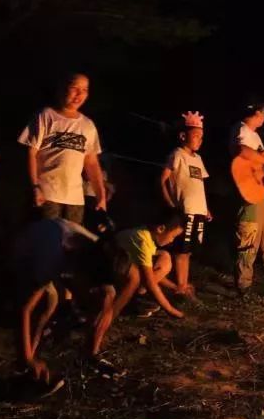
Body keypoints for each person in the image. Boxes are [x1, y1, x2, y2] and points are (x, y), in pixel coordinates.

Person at [17, 210, 185, 385]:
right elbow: (26, 308)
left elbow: (119, 282)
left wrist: (106, 309)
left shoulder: (101, 250)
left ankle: (85, 354)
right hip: (27, 248)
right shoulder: (51, 256)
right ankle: (26, 365)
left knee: (107, 295)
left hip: (66, 247)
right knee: (47, 302)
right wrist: (29, 358)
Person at [18, 72, 106, 224]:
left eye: (85, 90)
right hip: (48, 194)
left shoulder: (88, 125)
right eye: (74, 88)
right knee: (47, 240)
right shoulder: (46, 115)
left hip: (75, 198)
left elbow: (91, 163)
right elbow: (31, 152)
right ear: (62, 89)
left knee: (71, 242)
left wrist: (101, 196)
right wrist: (35, 186)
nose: (79, 94)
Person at [229, 101, 264, 294]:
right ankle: (244, 286)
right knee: (248, 240)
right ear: (259, 114)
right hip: (249, 195)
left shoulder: (256, 136)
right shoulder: (241, 129)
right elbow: (242, 151)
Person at [159, 111, 211, 296]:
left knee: (188, 250)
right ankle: (179, 286)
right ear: (183, 136)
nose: (199, 140)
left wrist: (206, 209)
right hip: (184, 210)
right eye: (196, 136)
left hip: (198, 210)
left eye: (201, 137)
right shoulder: (177, 154)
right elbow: (163, 179)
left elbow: (200, 185)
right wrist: (171, 204)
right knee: (180, 249)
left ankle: (183, 284)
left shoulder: (198, 159)